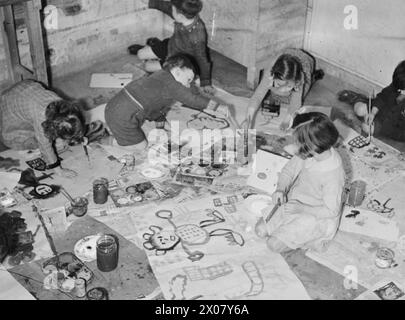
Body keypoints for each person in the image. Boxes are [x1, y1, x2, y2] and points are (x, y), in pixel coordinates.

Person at [255, 112, 345, 253]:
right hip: (294, 202)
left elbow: (331, 211)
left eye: (298, 141)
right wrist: (280, 189)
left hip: (315, 215)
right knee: (260, 230)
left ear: (311, 145)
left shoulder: (333, 174)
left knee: (272, 244)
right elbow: (288, 171)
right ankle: (293, 233)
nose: (295, 144)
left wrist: (302, 209)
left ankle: (314, 239)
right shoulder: (310, 152)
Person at [105, 53, 228, 153]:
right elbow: (192, 99)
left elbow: (156, 108)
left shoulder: (160, 77)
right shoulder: (172, 85)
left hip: (116, 106)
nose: (187, 85)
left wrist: (161, 127)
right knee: (141, 146)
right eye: (188, 79)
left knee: (153, 115)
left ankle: (116, 131)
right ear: (178, 71)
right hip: (123, 116)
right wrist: (217, 107)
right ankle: (106, 140)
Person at [0, 80, 86, 178]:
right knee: (38, 143)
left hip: (20, 93)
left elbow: (70, 121)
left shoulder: (62, 105)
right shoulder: (42, 116)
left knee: (57, 142)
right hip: (11, 125)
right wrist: (58, 170)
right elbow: (44, 145)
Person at [128, 0, 214, 94]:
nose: (170, 9)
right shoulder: (184, 15)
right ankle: (154, 50)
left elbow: (202, 59)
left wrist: (206, 82)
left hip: (180, 58)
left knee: (147, 67)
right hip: (171, 45)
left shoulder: (197, 36)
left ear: (180, 15)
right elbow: (167, 7)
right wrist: (150, 2)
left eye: (173, 9)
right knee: (140, 54)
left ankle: (157, 57)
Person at [245, 48, 324, 130]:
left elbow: (295, 103)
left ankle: (313, 77)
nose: (284, 90)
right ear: (273, 76)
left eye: (289, 86)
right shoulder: (270, 73)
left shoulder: (299, 77)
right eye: (279, 84)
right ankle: (283, 85)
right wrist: (248, 120)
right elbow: (258, 96)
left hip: (306, 61)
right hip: (285, 58)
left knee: (296, 96)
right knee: (276, 93)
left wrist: (287, 120)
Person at [338, 60, 405, 141]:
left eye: (403, 90)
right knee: (360, 110)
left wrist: (381, 129)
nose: (400, 92)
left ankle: (365, 120)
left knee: (366, 128)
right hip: (380, 110)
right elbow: (382, 97)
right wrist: (373, 113)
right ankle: (357, 98)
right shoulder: (398, 85)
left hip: (388, 128)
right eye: (399, 89)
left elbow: (401, 134)